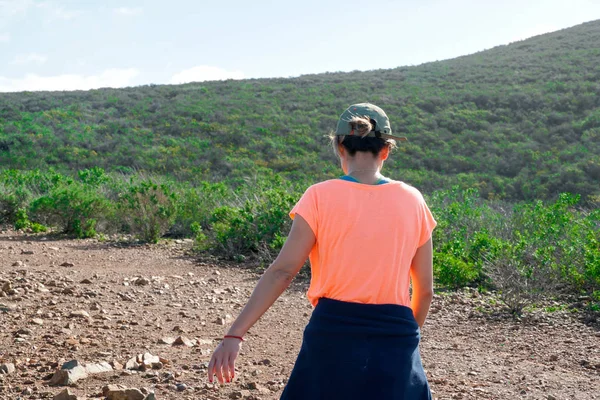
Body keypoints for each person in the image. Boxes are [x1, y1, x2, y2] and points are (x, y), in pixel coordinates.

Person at [207, 103, 437, 399]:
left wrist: (234, 334)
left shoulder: (319, 195)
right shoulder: (414, 200)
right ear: (386, 150)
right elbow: (426, 290)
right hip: (397, 332)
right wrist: (405, 336)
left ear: (340, 147)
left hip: (333, 332)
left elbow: (283, 272)